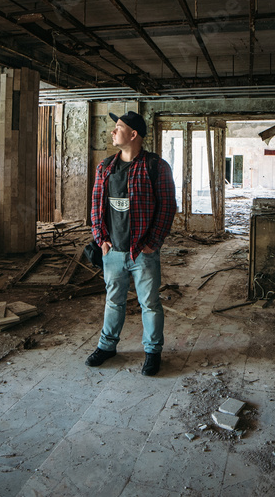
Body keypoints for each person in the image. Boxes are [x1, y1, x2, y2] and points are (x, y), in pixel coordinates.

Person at [86, 111, 177, 376]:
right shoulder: (105, 167)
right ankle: (107, 346)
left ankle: (152, 352)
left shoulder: (156, 166)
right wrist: (100, 239)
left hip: (142, 252)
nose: (113, 132)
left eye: (118, 127)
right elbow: (96, 206)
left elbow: (167, 207)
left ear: (133, 134)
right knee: (114, 301)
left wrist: (153, 242)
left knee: (150, 303)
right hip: (113, 251)